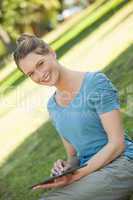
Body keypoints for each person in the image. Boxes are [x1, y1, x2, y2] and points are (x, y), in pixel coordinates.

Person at [13, 33, 133, 200]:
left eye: (40, 64)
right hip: (88, 171)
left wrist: (78, 174)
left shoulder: (95, 83)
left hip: (122, 164)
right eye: (31, 74)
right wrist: (65, 167)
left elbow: (117, 144)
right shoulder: (53, 106)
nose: (39, 75)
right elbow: (74, 155)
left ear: (52, 52)